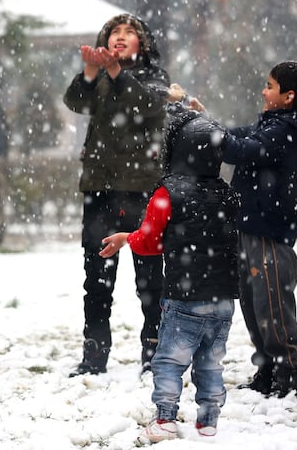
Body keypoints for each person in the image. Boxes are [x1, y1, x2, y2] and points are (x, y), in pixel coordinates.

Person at [100, 104, 240, 442]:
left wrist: (125, 238)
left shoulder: (167, 193)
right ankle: (208, 420)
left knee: (170, 360)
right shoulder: (228, 193)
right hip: (223, 299)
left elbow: (149, 242)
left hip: (184, 296)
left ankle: (164, 417)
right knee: (211, 362)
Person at [63, 13, 170, 376]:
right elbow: (75, 101)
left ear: (144, 43)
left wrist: (116, 75)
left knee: (150, 280)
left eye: (130, 32)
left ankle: (154, 354)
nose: (120, 37)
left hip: (142, 191)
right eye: (114, 32)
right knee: (96, 279)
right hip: (99, 190)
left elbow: (148, 106)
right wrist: (91, 72)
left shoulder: (155, 78)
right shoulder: (101, 80)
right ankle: (94, 355)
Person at [223, 61, 297, 400]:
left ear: (288, 95)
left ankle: (289, 371)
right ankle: (266, 366)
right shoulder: (272, 124)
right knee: (252, 302)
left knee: (272, 302)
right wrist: (207, 123)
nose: (263, 91)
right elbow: (239, 135)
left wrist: (212, 137)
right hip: (250, 223)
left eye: (269, 85)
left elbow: (243, 149)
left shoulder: (287, 131)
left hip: (269, 227)